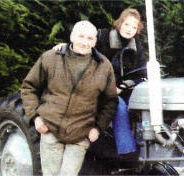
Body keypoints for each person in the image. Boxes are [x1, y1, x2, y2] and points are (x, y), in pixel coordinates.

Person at [21, 20, 118, 176]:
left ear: (95, 41)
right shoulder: (51, 57)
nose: (85, 42)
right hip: (50, 130)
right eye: (81, 37)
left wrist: (98, 128)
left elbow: (111, 101)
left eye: (90, 38)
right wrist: (36, 118)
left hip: (80, 134)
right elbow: (28, 88)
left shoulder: (103, 66)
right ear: (72, 37)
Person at [53, 8, 146, 159]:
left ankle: (145, 146)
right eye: (127, 24)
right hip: (97, 86)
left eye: (134, 27)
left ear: (137, 30)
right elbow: (82, 46)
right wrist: (64, 46)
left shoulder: (137, 47)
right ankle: (127, 154)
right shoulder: (103, 37)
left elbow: (141, 74)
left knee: (140, 107)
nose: (129, 29)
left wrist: (122, 87)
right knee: (119, 106)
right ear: (120, 23)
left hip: (122, 89)